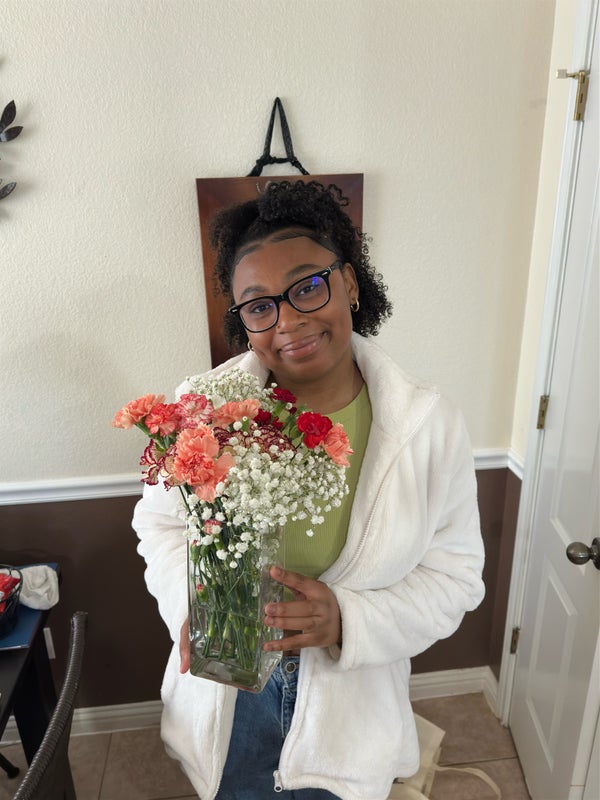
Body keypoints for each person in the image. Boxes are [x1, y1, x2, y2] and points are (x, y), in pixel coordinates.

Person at [132, 180, 485, 800]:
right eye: (259, 306)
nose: (288, 320)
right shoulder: (203, 409)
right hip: (230, 695)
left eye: (307, 287)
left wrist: (347, 620)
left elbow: (455, 578)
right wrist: (191, 607)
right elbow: (159, 526)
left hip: (350, 711)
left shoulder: (428, 427)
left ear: (349, 282)